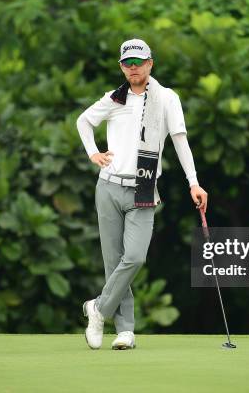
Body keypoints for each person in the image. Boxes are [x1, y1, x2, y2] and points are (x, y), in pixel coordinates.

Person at [76, 38, 208, 350]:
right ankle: (125, 331)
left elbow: (179, 140)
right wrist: (93, 153)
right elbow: (83, 121)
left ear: (150, 63)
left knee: (134, 257)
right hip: (107, 187)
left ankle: (98, 309)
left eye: (139, 62)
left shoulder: (167, 99)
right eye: (127, 63)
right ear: (122, 67)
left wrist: (194, 182)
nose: (133, 68)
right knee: (114, 262)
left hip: (144, 187)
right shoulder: (113, 99)